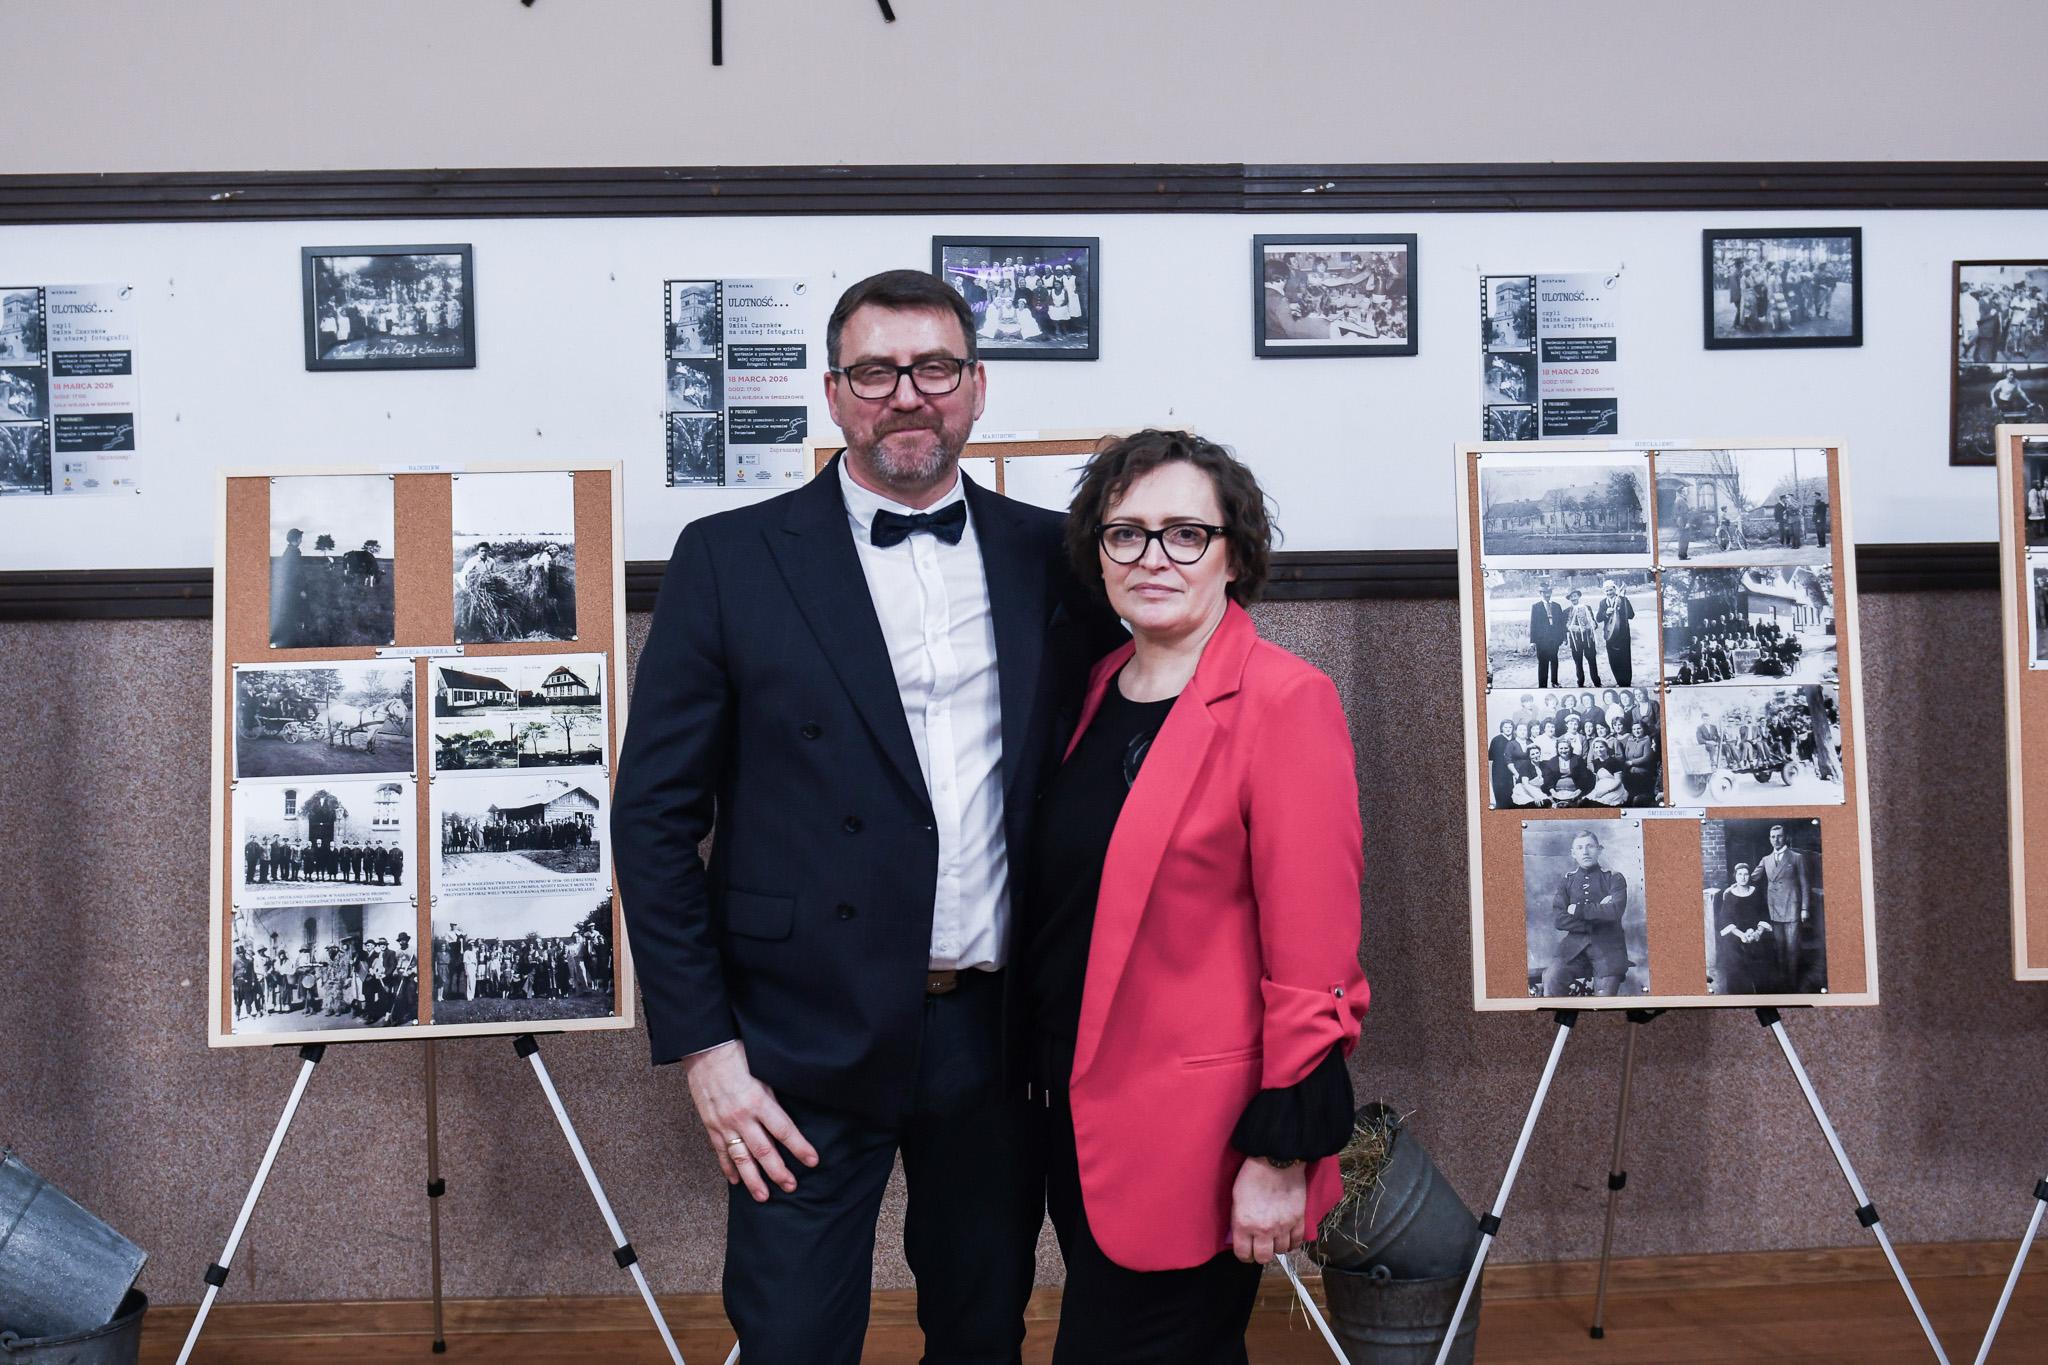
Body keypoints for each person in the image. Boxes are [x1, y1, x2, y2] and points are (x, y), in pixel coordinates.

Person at [610, 269, 1119, 1364]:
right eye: (876, 372)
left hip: (994, 1036)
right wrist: (705, 1047)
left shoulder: (1057, 557)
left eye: (933, 368)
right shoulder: (728, 558)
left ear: (975, 386)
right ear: (834, 394)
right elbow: (651, 820)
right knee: (791, 1338)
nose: (907, 395)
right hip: (795, 1037)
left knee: (982, 1333)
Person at [1025, 430, 1367, 1362]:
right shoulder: (1099, 684)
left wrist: (1280, 1151)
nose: (1153, 557)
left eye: (1185, 533)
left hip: (1200, 1134)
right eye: (1125, 533)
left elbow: (1317, 963)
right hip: (1075, 1109)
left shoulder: (1284, 700)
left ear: (1234, 553)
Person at [1540, 830, 1630, 997]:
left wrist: (1577, 910)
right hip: (1573, 951)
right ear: (1573, 853)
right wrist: (1599, 913)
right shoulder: (1567, 881)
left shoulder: (1614, 878)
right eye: (1580, 848)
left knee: (1604, 1003)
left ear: (1599, 849)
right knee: (1551, 979)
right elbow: (1559, 920)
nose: (1585, 852)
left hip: (1608, 950)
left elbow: (1615, 912)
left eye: (1590, 846)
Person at [1758, 824, 1811, 988]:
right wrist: (1734, 885)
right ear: (1769, 839)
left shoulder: (1796, 857)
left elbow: (1805, 884)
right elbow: (1751, 878)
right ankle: (1783, 983)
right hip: (1774, 909)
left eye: (1779, 836)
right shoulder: (1766, 859)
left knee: (1792, 948)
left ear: (1785, 837)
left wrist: (1805, 908)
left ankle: (1793, 983)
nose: (1776, 840)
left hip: (1792, 908)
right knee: (1779, 948)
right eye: (1773, 837)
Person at [1714, 863, 1779, 994]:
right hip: (1736, 936)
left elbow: (1764, 914)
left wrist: (1758, 932)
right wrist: (1741, 935)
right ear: (1735, 876)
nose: (1743, 877)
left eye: (1746, 874)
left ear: (1749, 876)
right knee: (1735, 962)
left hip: (1756, 934)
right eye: (1740, 874)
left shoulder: (1756, 893)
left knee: (1762, 962)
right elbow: (1726, 919)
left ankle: (1763, 995)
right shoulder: (1729, 895)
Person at [1596, 579, 1634, 687]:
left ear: (1615, 589)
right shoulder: (1603, 602)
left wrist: (1622, 607)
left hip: (1623, 634)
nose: (1609, 593)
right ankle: (1619, 681)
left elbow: (1631, 615)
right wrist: (1605, 613)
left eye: (1611, 590)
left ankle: (1626, 682)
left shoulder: (1623, 599)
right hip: (1610, 634)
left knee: (1625, 659)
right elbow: (1598, 618)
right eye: (1607, 591)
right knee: (1613, 659)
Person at [1528, 581, 1566, 688]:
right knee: (1543, 663)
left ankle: (1555, 681)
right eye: (1544, 592)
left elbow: (1561, 623)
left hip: (1554, 640)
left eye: (1549, 592)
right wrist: (1532, 641)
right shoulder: (1536, 607)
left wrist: (1563, 637)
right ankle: (1542, 685)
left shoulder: (1557, 606)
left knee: (1554, 660)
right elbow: (1533, 624)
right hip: (1541, 641)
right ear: (1540, 593)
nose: (1547, 594)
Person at [1564, 587, 1602, 687]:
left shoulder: (1587, 608)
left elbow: (1594, 623)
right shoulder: (1567, 611)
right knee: (1578, 663)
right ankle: (1580, 683)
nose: (1573, 598)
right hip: (1576, 641)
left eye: (1575, 596)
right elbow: (1564, 626)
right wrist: (1572, 628)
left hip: (1588, 639)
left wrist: (1590, 626)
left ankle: (1597, 682)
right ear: (1569, 599)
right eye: (1571, 597)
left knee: (1592, 661)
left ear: (1579, 596)